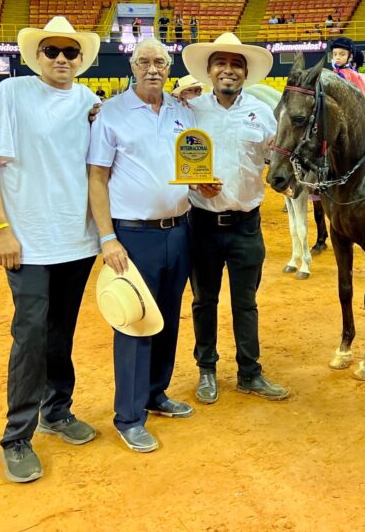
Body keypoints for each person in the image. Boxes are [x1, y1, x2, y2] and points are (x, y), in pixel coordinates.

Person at [0, 16, 101, 483]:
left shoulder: (89, 101)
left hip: (76, 241)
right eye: (52, 52)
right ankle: (16, 436)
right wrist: (1, 229)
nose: (62, 59)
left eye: (70, 52)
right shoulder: (11, 94)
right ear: (37, 56)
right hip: (25, 242)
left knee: (61, 332)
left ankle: (57, 409)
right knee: (30, 335)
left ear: (81, 60)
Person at [88, 37, 195, 453]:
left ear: (169, 68)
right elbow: (97, 178)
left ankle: (155, 393)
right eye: (144, 61)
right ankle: (129, 416)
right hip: (132, 235)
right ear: (132, 66)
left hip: (179, 230)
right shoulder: (111, 114)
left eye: (160, 62)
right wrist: (108, 237)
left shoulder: (180, 111)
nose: (153, 68)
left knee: (166, 315)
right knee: (134, 321)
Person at [181, 32, 290, 404]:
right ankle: (207, 370)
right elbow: (174, 159)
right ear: (210, 71)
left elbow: (277, 159)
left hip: (246, 225)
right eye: (221, 64)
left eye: (236, 65)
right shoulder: (190, 111)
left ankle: (249, 372)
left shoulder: (263, 115)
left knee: (246, 302)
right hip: (203, 224)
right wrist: (195, 182)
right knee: (204, 301)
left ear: (245, 73)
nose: (228, 70)